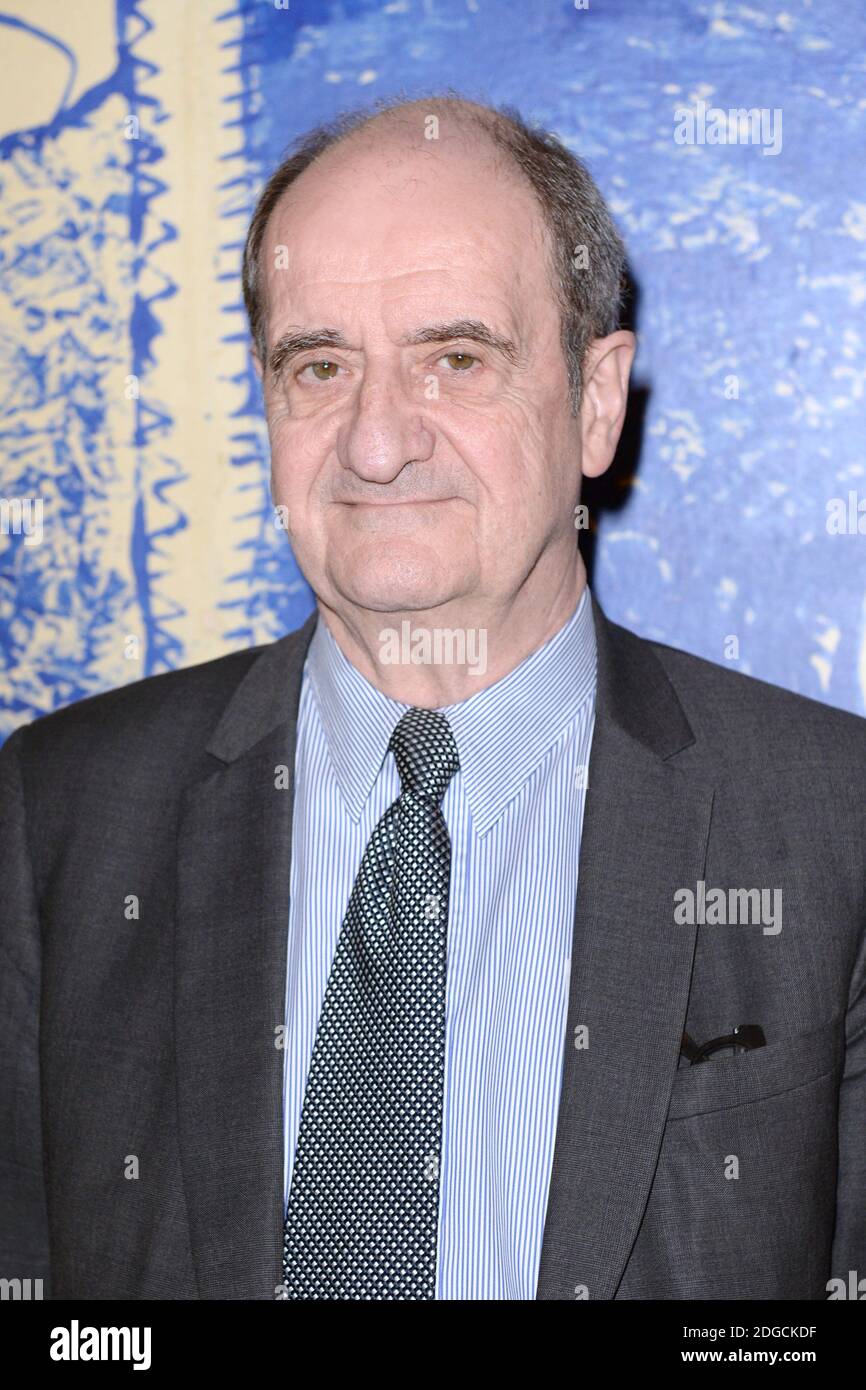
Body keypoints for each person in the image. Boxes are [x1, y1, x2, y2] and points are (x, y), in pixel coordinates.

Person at [1, 95, 863, 1301]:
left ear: (596, 400)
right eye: (319, 366)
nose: (372, 442)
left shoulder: (832, 827)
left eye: (453, 358)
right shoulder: (60, 816)